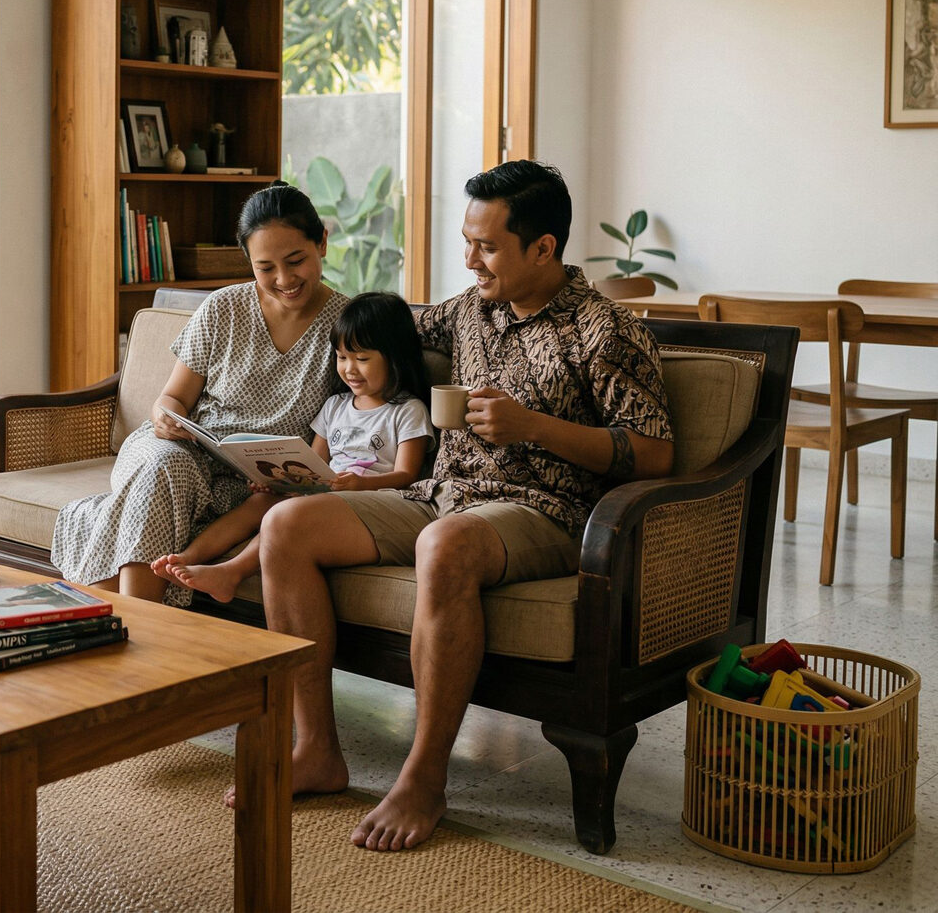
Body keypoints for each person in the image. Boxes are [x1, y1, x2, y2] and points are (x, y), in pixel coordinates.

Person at [240, 160, 674, 852]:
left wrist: (534, 425)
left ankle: (424, 775)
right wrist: (284, 280)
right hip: (439, 493)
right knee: (286, 522)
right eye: (466, 241)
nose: (468, 258)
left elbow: (655, 452)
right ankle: (317, 748)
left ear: (543, 248)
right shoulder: (471, 308)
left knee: (443, 545)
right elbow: (387, 322)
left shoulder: (605, 330)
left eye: (486, 246)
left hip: (546, 510)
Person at [50, 183, 349, 603]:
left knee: (152, 491)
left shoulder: (346, 326)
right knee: (164, 466)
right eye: (266, 268)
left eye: (296, 260)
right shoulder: (223, 308)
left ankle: (107, 628)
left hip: (256, 485)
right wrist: (165, 416)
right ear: (248, 262)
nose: (284, 280)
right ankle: (141, 627)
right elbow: (172, 398)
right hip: (181, 453)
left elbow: (354, 416)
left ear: (321, 243)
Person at [151, 291, 434, 604]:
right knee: (263, 502)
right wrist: (279, 480)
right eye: (342, 357)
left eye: (362, 359)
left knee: (286, 513)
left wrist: (362, 484)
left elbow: (407, 475)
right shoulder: (335, 406)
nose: (349, 369)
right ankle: (185, 558)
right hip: (327, 491)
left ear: (395, 356)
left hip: (370, 499)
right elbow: (313, 462)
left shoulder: (408, 411)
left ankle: (231, 572)